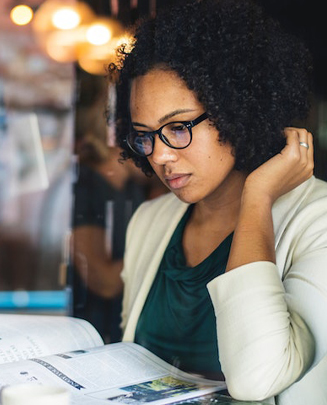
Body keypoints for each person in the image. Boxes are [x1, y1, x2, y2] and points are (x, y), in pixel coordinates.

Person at [108, 0, 327, 403]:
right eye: (144, 135)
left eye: (177, 127)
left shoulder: (318, 222)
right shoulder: (151, 220)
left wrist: (257, 197)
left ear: (236, 109)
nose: (158, 155)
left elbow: (257, 378)